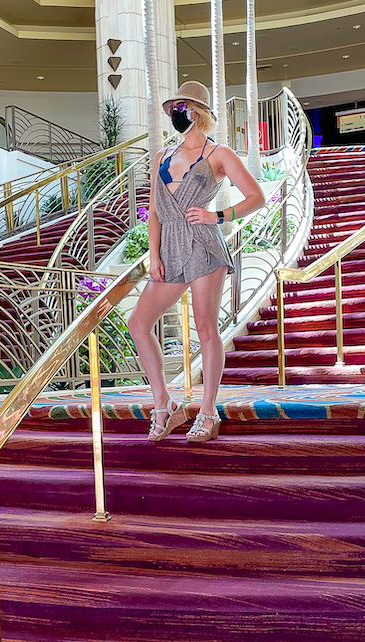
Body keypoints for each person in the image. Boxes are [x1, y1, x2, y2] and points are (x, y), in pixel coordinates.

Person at [128, 81, 266, 443]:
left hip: (204, 246)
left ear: (199, 112)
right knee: (139, 323)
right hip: (169, 248)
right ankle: (164, 405)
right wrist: (153, 254)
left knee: (206, 329)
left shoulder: (219, 154)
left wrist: (217, 215)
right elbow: (155, 212)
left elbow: (257, 197)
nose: (178, 114)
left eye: (184, 108)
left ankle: (208, 412)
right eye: (174, 108)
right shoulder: (162, 157)